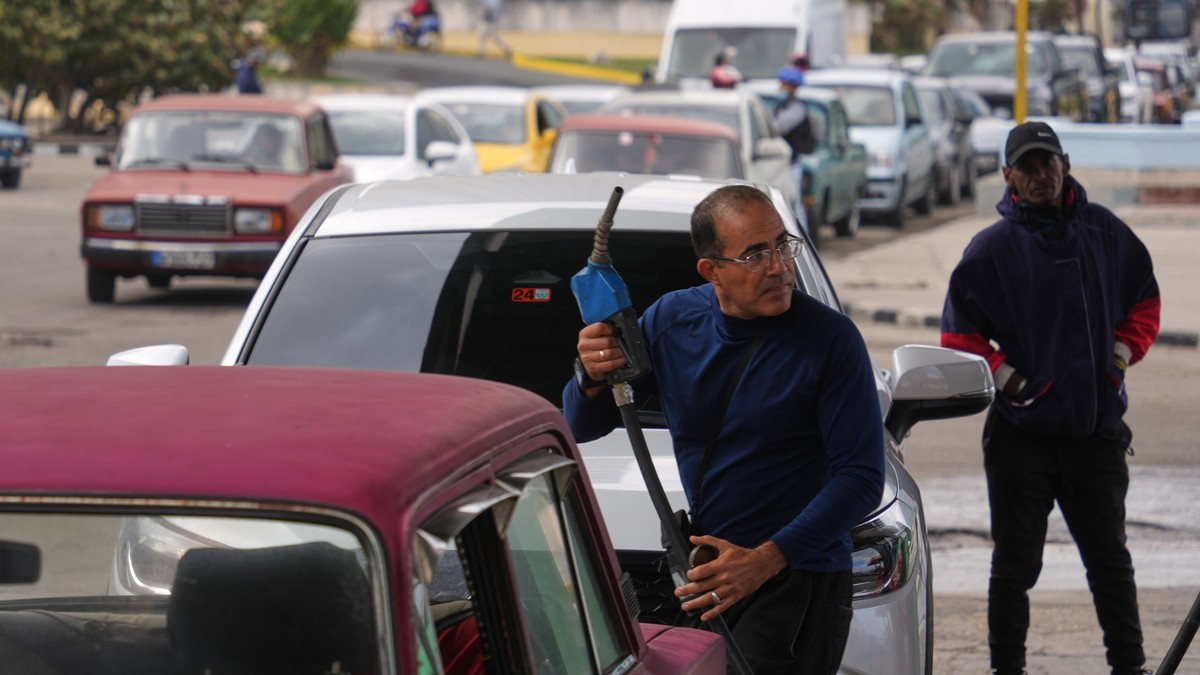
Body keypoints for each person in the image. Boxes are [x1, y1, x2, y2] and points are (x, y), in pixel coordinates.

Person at [562, 184, 885, 674]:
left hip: (797, 580)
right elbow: (582, 425)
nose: (777, 266)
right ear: (711, 271)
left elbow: (860, 478)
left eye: (782, 246)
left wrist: (764, 561)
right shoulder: (672, 321)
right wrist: (590, 374)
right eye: (755, 254)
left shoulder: (830, 340)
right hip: (708, 576)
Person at [940, 121, 1160, 675]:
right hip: (1022, 442)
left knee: (1111, 563)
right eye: (1028, 167)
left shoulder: (1107, 234)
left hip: (1097, 437)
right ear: (1009, 176)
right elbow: (959, 338)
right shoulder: (990, 251)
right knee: (1014, 568)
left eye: (1048, 163)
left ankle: (1128, 667)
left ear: (1065, 163)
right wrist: (1011, 381)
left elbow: (1145, 302)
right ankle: (1006, 669)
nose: (1041, 175)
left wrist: (1117, 359)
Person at [773, 67, 814, 230]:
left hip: (792, 163)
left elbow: (779, 127)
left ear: (792, 86)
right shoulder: (782, 105)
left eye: (783, 84)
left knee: (794, 202)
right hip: (782, 162)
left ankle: (802, 239)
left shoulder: (797, 109)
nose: (780, 87)